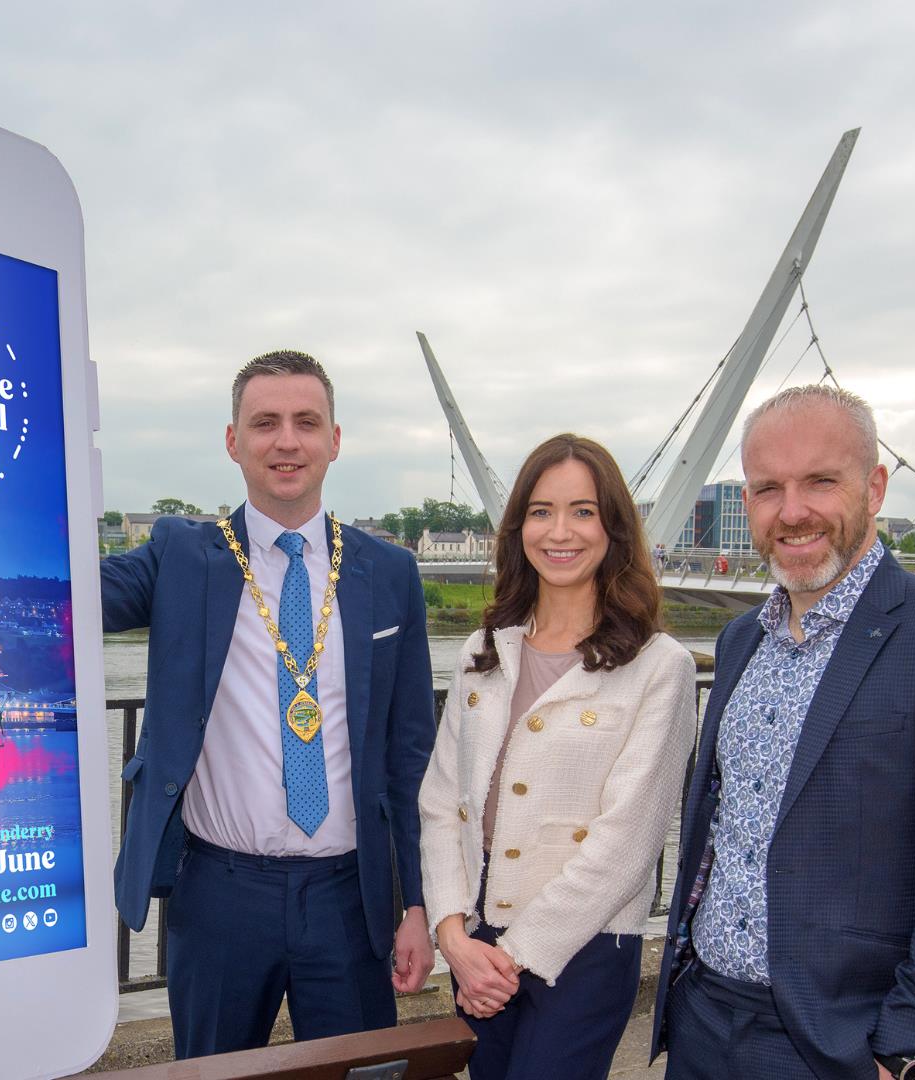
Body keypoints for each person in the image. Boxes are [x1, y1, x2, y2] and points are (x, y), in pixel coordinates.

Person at [653, 384, 915, 1080]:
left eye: (821, 482)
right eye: (768, 488)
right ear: (747, 504)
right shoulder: (742, 639)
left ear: (876, 485)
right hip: (705, 1020)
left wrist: (909, 1044)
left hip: (849, 1043)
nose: (793, 511)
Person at [102, 350, 436, 1057]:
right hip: (220, 893)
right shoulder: (179, 554)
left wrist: (418, 904)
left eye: (307, 422)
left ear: (335, 440)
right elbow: (68, 594)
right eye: (265, 423)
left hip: (351, 896)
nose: (287, 441)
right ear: (233, 441)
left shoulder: (390, 572)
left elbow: (411, 754)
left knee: (358, 1073)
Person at [417, 434, 696, 1080]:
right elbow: (440, 803)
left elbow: (628, 842)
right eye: (541, 511)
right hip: (480, 937)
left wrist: (507, 960)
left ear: (614, 528)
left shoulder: (660, 668)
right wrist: (453, 938)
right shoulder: (484, 651)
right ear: (518, 529)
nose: (559, 531)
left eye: (583, 510)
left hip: (587, 948)